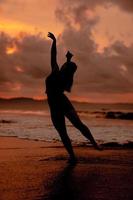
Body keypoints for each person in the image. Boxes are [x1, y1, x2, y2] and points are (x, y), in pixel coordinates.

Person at [45, 32, 101, 164]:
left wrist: (54, 41)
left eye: (65, 64)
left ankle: (73, 156)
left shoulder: (55, 71)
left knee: (64, 132)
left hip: (55, 105)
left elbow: (53, 55)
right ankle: (94, 144)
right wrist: (68, 60)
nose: (63, 64)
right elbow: (67, 67)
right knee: (78, 125)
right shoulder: (66, 79)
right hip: (63, 103)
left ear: (65, 68)